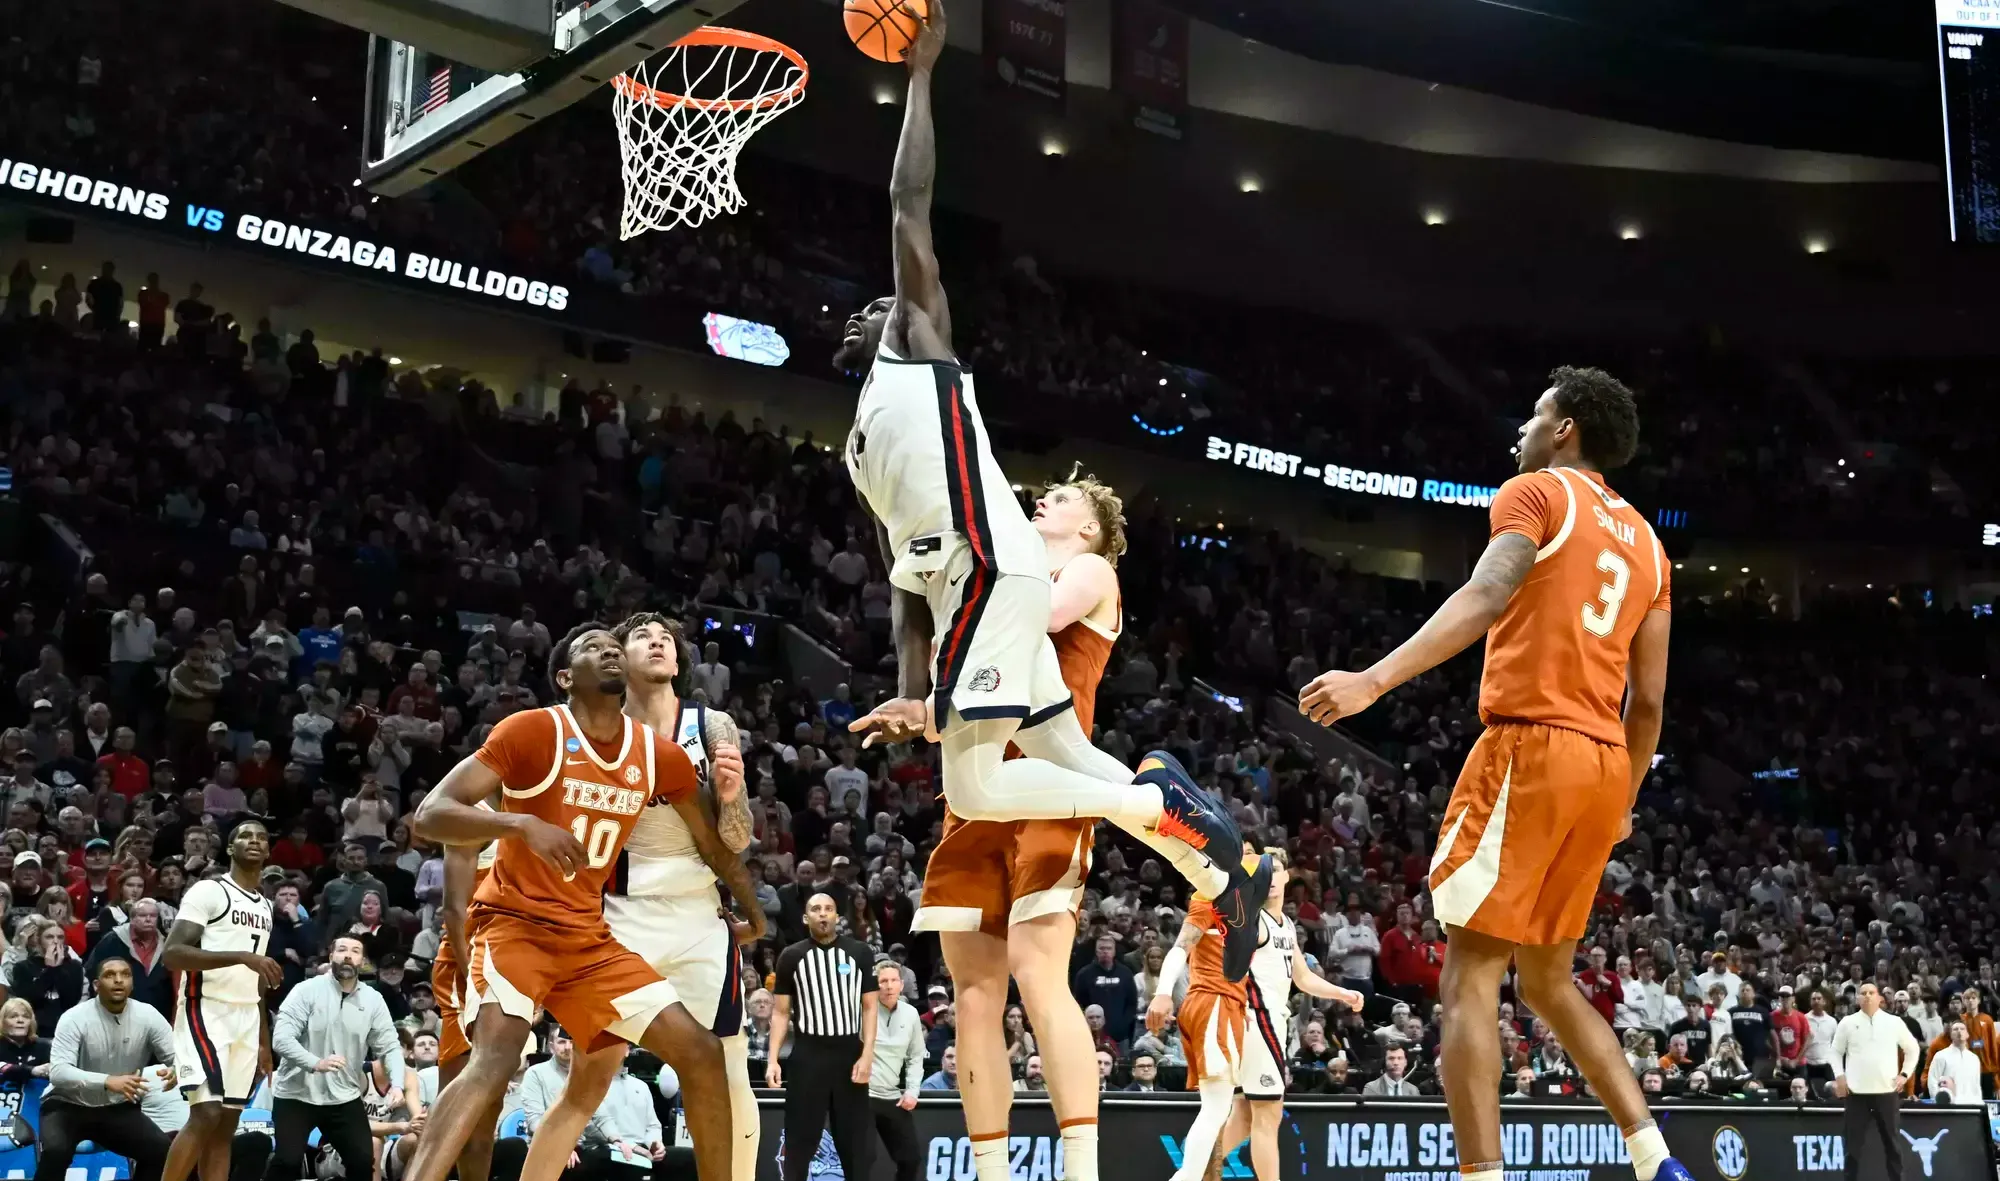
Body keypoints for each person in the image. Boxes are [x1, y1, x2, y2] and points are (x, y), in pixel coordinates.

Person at [832, 0, 1262, 983]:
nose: (874, 303)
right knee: (1072, 760)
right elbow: (903, 576)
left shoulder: (916, 340)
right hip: (967, 584)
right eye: (860, 308)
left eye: (883, 298)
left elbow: (908, 203)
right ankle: (1220, 869)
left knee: (982, 789)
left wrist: (922, 75)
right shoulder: (859, 442)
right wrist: (912, 689)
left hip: (994, 573)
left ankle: (1163, 804)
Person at [1299, 367, 1685, 1181]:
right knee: (1547, 977)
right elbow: (1647, 702)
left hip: (1533, 744)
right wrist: (1628, 799)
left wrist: (1371, 680)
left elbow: (1486, 591)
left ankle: (1482, 1176)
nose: (1522, 430)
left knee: (1470, 973)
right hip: (1607, 765)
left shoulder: (1539, 493)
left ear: (1567, 428)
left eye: (1536, 415)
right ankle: (1656, 1161)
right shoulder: (1651, 545)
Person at [403, 624, 730, 1181]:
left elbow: (715, 839)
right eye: (591, 647)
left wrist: (743, 896)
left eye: (613, 647)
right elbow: (428, 818)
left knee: (702, 1053)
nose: (608, 651)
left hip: (586, 936)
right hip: (509, 926)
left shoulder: (654, 752)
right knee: (494, 1062)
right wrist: (522, 824)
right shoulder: (531, 732)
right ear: (563, 677)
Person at [912, 471, 1130, 1181]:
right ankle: (992, 1171)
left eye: (1065, 499)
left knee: (1040, 974)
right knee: (974, 993)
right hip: (974, 782)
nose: (1047, 499)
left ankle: (1081, 1167)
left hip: (1050, 784)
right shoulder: (1009, 572)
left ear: (1091, 527)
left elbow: (1031, 620)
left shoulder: (1089, 569)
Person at [519, 613, 764, 1181]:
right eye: (640, 637)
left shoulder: (713, 724)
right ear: (615, 658)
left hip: (701, 915)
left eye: (666, 639)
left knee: (729, 1071)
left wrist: (731, 796)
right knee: (588, 1083)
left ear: (678, 659)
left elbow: (736, 840)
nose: (656, 643)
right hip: (620, 917)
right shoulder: (596, 729)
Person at [1204, 850, 1362, 1181]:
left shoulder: (1286, 924)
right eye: (1264, 871)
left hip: (1267, 1023)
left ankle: (1195, 1170)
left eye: (1276, 870)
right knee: (1268, 1115)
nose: (1271, 877)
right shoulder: (1252, 920)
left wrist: (1343, 994)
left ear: (1288, 876)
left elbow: (1302, 978)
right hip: (1257, 1022)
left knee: (1246, 1117)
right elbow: (1225, 969)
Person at [161, 818, 281, 1181]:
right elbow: (174, 953)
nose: (254, 841)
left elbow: (256, 979)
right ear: (230, 848)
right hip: (205, 1008)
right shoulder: (209, 892)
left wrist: (263, 1040)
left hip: (245, 1017)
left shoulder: (266, 906)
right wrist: (241, 955)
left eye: (262, 837)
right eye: (245, 835)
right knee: (207, 1113)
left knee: (227, 1122)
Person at [264, 933, 408, 1181]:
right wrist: (315, 1063)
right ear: (331, 956)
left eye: (355, 951)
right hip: (296, 1094)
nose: (348, 955)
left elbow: (390, 1047)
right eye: (341, 949)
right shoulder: (305, 991)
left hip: (344, 1096)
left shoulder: (373, 1000)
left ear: (362, 960)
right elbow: (281, 1038)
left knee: (362, 1161)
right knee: (287, 1161)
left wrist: (397, 1084)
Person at [766, 892, 879, 1181]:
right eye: (816, 909)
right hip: (808, 1055)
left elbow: (869, 1007)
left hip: (849, 1055)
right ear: (806, 918)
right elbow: (780, 1013)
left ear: (837, 917)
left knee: (855, 1144)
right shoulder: (791, 956)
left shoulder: (860, 953)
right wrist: (772, 1060)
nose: (823, 913)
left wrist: (867, 1055)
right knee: (799, 1141)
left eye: (829, 908)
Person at [41, 956, 176, 1181]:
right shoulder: (74, 1018)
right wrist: (107, 1080)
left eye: (125, 975)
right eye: (110, 975)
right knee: (56, 1152)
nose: (118, 980)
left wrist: (177, 1070)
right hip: (66, 1105)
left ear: (132, 983)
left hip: (116, 1108)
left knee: (161, 1151)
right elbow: (59, 1072)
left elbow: (177, 1057)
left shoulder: (148, 1015)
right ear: (96, 985)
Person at [1832, 983, 1920, 1181]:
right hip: (1856, 1094)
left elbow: (1913, 1049)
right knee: (1852, 1149)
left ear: (1880, 998)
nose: (1867, 996)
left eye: (1871, 993)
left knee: (1893, 1146)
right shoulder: (1847, 1022)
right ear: (1857, 999)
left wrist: (1904, 1074)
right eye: (1863, 993)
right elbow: (1835, 1052)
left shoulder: (1894, 1022)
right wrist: (1840, 1076)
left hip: (1886, 1093)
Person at [866, 962, 926, 1181]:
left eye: (893, 981)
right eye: (883, 981)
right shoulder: (862, 1009)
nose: (888, 986)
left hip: (893, 1095)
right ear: (875, 985)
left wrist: (912, 1091)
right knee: (862, 1158)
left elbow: (916, 1056)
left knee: (911, 1160)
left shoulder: (911, 1014)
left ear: (901, 985)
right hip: (863, 1094)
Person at [1926, 1021, 1982, 1105]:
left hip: (1970, 1107)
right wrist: (1939, 1102)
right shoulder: (1941, 1056)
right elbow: (1932, 1081)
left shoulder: (1974, 1059)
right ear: (1951, 1035)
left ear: (1967, 1034)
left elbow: (1976, 1086)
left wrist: (1978, 1103)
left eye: (1962, 1029)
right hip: (1948, 1107)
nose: (1959, 1031)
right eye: (1955, 1029)